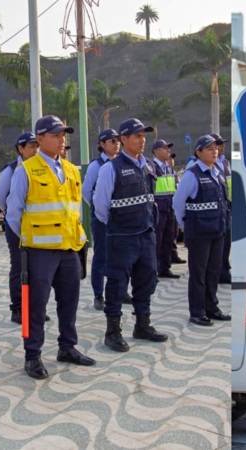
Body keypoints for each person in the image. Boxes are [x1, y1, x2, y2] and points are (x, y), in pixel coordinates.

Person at [5, 115, 95, 379]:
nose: (61, 139)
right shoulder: (27, 169)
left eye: (63, 135)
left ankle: (67, 347)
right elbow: (13, 213)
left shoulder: (70, 169)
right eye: (55, 135)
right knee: (36, 306)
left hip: (69, 249)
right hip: (39, 252)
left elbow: (75, 209)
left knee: (69, 302)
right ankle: (32, 355)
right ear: (40, 138)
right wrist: (29, 240)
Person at [93, 118, 168, 352]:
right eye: (136, 136)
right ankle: (112, 332)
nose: (142, 140)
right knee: (117, 284)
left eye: (144, 136)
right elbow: (100, 206)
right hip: (121, 236)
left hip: (146, 234)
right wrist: (119, 227)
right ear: (123, 139)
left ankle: (142, 325)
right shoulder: (110, 169)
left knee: (146, 281)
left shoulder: (147, 166)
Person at [173, 135, 231, 326]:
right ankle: (197, 312)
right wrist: (185, 225)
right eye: (209, 148)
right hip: (199, 233)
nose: (214, 151)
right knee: (198, 273)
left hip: (217, 230)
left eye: (215, 148)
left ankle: (211, 307)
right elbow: (178, 203)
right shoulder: (192, 174)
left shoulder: (217, 172)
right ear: (198, 152)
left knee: (213, 271)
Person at [0, 131, 50, 324]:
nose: (35, 149)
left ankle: (35, 308)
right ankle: (17, 308)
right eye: (31, 146)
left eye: (37, 145)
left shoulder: (42, 168)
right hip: (15, 226)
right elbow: (0, 197)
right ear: (20, 149)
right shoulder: (10, 170)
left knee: (37, 268)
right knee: (19, 267)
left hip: (37, 227)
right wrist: (11, 215)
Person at [83, 129, 119, 311]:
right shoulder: (95, 166)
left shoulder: (122, 163)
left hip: (120, 219)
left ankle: (119, 291)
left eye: (117, 140)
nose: (116, 144)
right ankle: (98, 294)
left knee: (119, 256)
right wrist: (99, 211)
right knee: (101, 257)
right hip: (102, 220)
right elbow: (87, 192)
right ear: (102, 144)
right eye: (112, 141)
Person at [151, 138, 180, 279]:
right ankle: (154, 269)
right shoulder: (151, 167)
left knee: (169, 239)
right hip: (158, 210)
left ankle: (165, 268)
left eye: (169, 148)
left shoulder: (168, 167)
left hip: (170, 209)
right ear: (156, 151)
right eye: (165, 148)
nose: (168, 150)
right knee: (157, 240)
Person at [210, 132, 232, 284]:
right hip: (214, 210)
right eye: (217, 144)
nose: (221, 146)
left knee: (226, 242)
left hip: (228, 206)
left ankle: (223, 269)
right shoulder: (209, 164)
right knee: (218, 245)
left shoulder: (225, 162)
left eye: (221, 143)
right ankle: (218, 273)